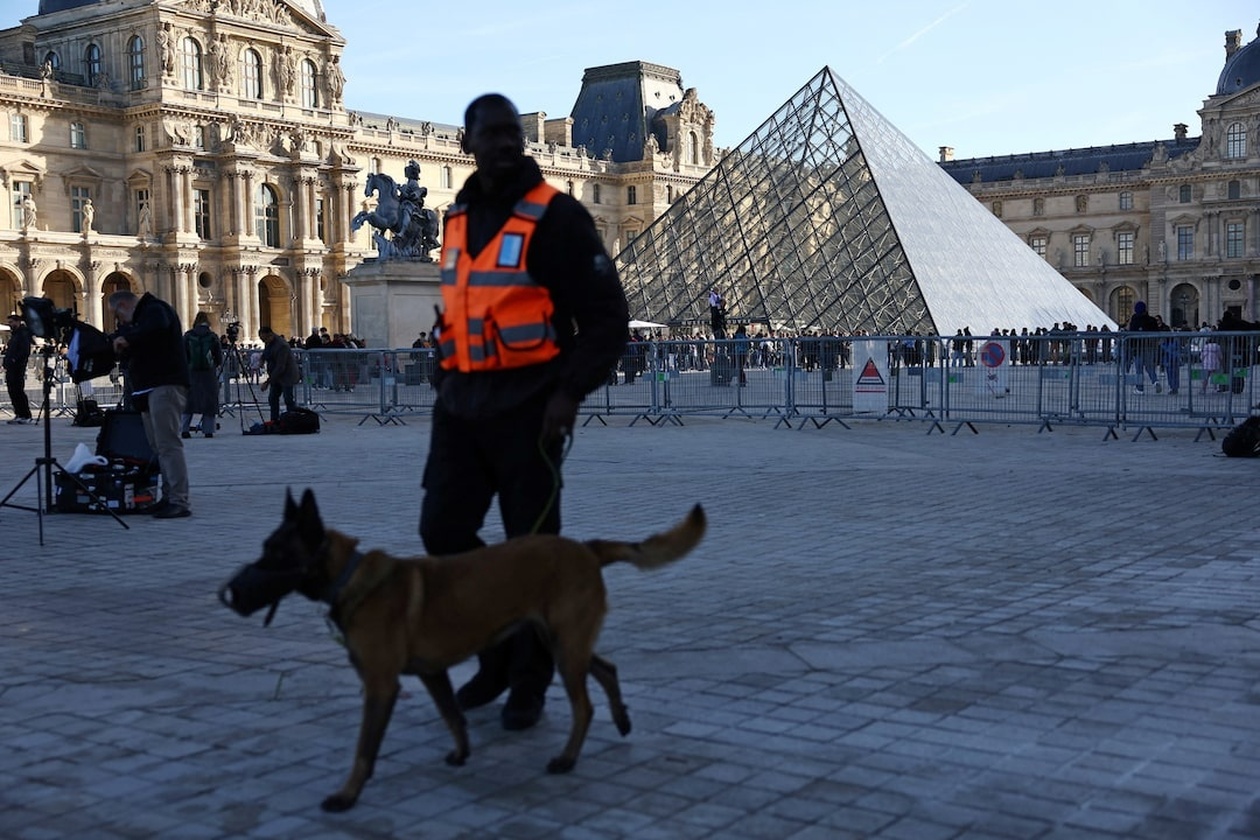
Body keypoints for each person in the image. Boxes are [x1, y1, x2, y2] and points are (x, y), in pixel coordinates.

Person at [420, 92, 628, 732]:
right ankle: (499, 654)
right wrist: (441, 359)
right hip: (460, 406)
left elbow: (606, 319)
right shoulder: (455, 217)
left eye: (514, 133)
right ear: (467, 144)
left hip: (529, 409)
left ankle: (530, 683)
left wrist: (568, 394)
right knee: (442, 535)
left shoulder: (557, 216)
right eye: (493, 134)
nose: (507, 143)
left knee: (530, 550)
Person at [108, 290, 191, 519]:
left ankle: (179, 500)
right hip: (151, 387)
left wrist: (129, 338)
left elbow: (157, 327)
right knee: (159, 447)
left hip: (166, 385)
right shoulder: (142, 320)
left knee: (168, 445)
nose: (120, 321)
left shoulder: (155, 309)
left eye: (117, 315)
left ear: (123, 305)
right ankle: (168, 496)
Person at [180, 312, 222, 438]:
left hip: (191, 372)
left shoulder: (188, 336)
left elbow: (183, 354)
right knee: (209, 401)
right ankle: (208, 430)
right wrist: (215, 364)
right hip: (208, 373)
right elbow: (218, 357)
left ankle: (184, 430)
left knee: (188, 401)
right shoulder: (212, 336)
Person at [258, 325, 298, 422]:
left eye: (264, 339)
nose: (264, 342)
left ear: (270, 335)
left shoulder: (282, 345)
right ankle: (274, 420)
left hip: (286, 375)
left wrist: (267, 382)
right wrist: (262, 359)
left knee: (288, 399)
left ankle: (292, 420)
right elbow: (266, 352)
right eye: (261, 339)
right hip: (276, 375)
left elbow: (281, 367)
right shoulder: (269, 342)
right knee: (272, 398)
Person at [4, 312, 34, 425]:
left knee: (18, 391)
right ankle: (19, 413)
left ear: (18, 322)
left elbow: (24, 351)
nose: (10, 324)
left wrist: (15, 360)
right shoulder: (15, 334)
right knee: (12, 391)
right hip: (11, 367)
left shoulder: (23, 334)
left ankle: (26, 414)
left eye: (11, 322)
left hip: (18, 367)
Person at [1127, 300, 1161, 394]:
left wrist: (1131, 347)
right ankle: (1155, 381)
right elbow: (1157, 333)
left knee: (1139, 370)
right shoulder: (1151, 320)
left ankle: (1140, 388)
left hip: (1138, 348)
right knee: (1150, 367)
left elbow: (1131, 334)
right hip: (1149, 348)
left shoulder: (1135, 320)